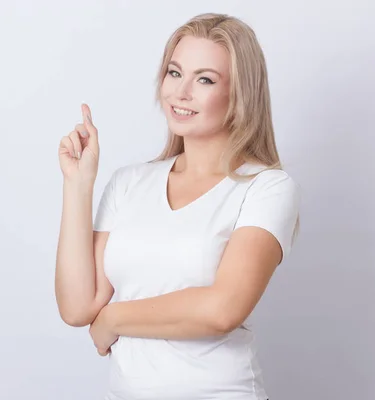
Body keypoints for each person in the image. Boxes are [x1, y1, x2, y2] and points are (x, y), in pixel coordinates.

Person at [55, 12, 300, 400]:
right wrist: (78, 184)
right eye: (174, 73)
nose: (180, 92)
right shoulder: (128, 183)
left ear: (240, 93)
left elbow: (223, 310)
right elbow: (77, 307)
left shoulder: (266, 188)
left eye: (204, 79)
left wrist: (115, 318)